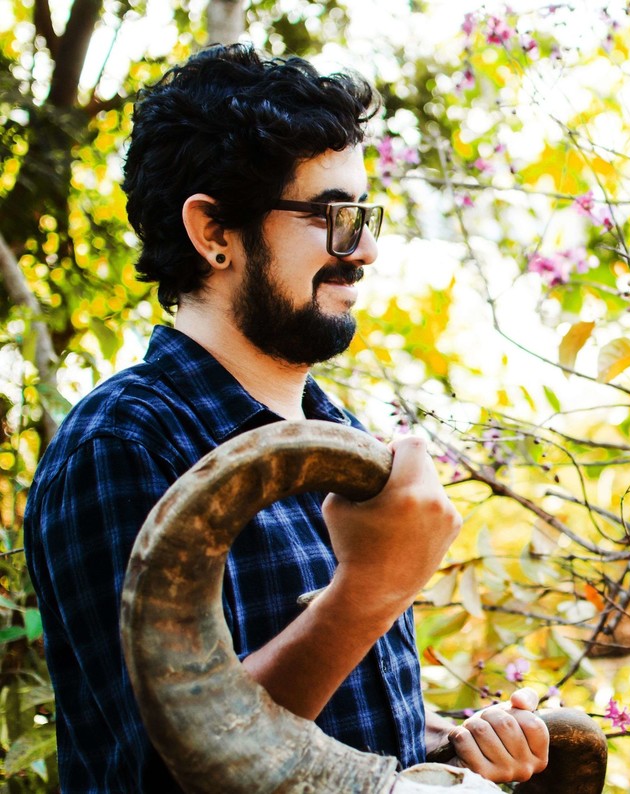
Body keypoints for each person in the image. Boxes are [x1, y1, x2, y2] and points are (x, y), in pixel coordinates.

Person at [23, 44, 548, 791]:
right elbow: (162, 773)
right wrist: (367, 591)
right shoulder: (122, 444)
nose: (364, 249)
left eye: (366, 216)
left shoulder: (340, 434)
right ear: (214, 234)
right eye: (334, 216)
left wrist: (449, 751)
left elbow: (326, 733)